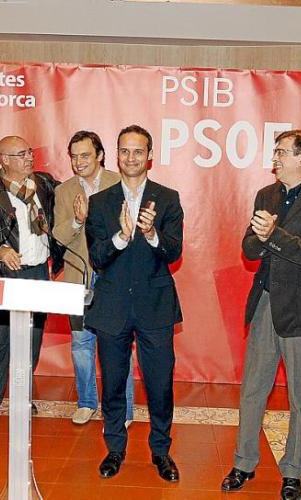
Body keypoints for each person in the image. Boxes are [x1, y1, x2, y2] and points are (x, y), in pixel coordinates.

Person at [221, 130, 301, 498]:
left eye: (281, 152)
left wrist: (273, 234)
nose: (274, 158)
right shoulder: (267, 194)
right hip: (266, 303)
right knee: (252, 390)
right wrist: (261, 239)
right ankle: (243, 463)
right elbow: (249, 246)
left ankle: (293, 471)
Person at [85, 124, 184, 482]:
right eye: (125, 151)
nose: (131, 157)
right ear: (117, 155)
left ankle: (161, 451)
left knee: (160, 384)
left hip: (154, 306)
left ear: (150, 156)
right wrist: (121, 236)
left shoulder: (167, 198)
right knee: (113, 383)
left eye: (138, 151)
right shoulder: (100, 202)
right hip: (112, 307)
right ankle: (115, 448)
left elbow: (174, 252)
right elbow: (97, 257)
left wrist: (151, 233)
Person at [0, 135, 62, 429]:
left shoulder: (44, 185)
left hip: (37, 273)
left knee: (31, 343)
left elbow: (66, 208)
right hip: (3, 276)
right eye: (22, 154)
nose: (30, 157)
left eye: (30, 152)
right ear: (4, 160)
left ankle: (23, 397)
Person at [53, 130, 135, 427]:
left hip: (113, 277)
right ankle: (86, 402)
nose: (79, 162)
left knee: (118, 345)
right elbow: (59, 236)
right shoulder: (64, 191)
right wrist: (78, 220)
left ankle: (123, 409)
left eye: (85, 155)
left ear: (100, 155)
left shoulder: (120, 183)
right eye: (74, 157)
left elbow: (130, 231)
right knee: (81, 344)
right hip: (78, 277)